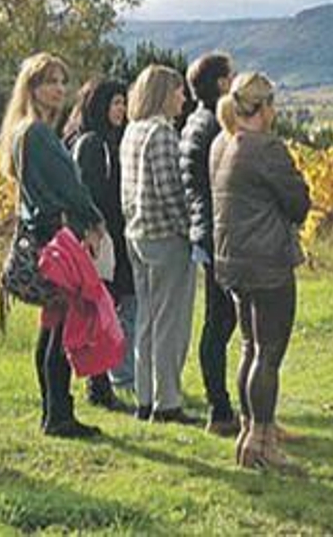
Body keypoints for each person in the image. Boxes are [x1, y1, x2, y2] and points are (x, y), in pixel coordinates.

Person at [0, 52, 108, 438]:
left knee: (53, 325)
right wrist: (94, 220)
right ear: (33, 88)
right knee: (62, 327)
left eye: (63, 80)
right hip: (55, 237)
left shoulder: (22, 132)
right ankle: (59, 413)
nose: (60, 88)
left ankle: (54, 411)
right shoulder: (38, 134)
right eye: (51, 81)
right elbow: (70, 188)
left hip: (41, 234)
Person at [210, 72, 311, 472]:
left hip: (233, 261)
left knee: (249, 347)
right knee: (269, 353)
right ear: (265, 107)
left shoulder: (228, 145)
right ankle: (262, 440)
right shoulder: (267, 149)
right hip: (267, 261)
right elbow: (299, 203)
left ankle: (248, 432)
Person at [121, 64, 199, 425]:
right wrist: (191, 231)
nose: (184, 97)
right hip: (166, 236)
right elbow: (171, 192)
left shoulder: (132, 131)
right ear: (165, 93)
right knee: (171, 322)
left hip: (137, 233)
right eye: (178, 90)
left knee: (147, 320)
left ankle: (145, 397)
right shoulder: (163, 134)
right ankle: (168, 402)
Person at [63, 77, 136, 413]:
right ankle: (100, 385)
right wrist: (94, 230)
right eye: (115, 103)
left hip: (108, 234)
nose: (121, 109)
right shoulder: (93, 144)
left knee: (105, 307)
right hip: (100, 236)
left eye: (123, 102)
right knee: (101, 307)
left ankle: (103, 381)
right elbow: (90, 193)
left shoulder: (103, 139)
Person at [180, 52, 240, 436]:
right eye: (230, 77)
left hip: (202, 229)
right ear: (220, 84)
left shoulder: (192, 124)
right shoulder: (215, 129)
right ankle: (219, 409)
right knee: (221, 321)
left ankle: (220, 405)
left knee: (217, 319)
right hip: (217, 231)